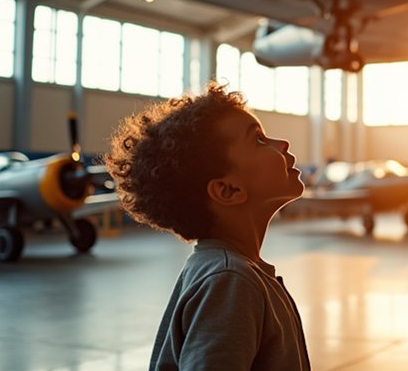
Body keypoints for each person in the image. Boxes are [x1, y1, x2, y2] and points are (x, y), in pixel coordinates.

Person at [105, 82, 311, 370]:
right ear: (228, 190)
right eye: (259, 140)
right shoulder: (230, 281)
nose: (283, 144)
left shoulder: (225, 270)